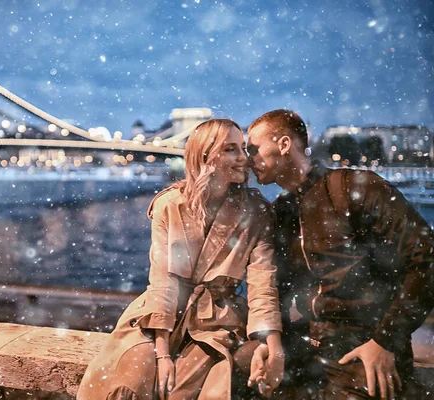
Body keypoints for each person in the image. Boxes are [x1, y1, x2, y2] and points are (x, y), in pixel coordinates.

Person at [77, 118, 284, 400]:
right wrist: (162, 355)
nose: (243, 159)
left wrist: (272, 344)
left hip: (215, 322)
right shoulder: (170, 205)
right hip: (156, 320)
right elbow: (163, 282)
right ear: (205, 156)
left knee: (179, 392)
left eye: (243, 149)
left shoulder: (255, 211)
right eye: (231, 150)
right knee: (128, 388)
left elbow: (263, 284)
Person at [246, 109, 434, 399]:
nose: (249, 159)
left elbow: (426, 257)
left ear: (284, 145)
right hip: (308, 345)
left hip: (362, 345)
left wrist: (385, 341)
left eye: (253, 149)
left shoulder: (355, 188)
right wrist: (270, 342)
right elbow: (282, 287)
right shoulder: (281, 211)